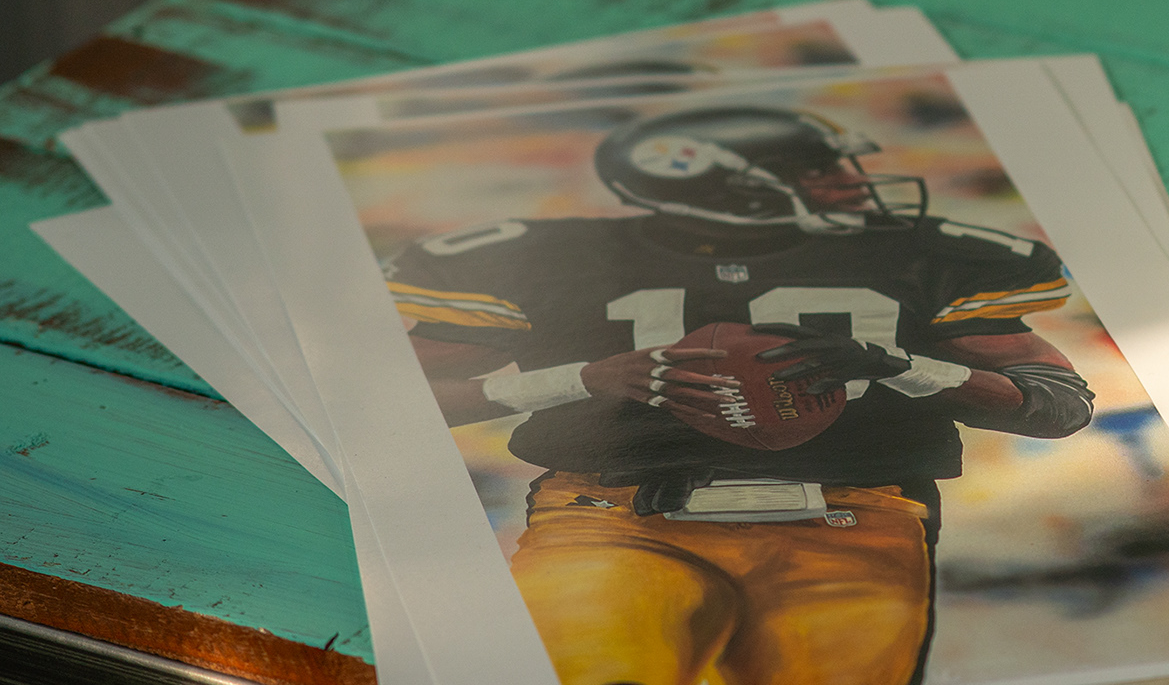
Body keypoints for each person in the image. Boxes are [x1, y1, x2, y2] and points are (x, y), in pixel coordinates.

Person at [382, 105, 1096, 685]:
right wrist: (586, 377)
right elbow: (399, 396)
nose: (852, 180)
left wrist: (903, 367)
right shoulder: (548, 257)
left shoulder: (924, 256)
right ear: (727, 182)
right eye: (823, 169)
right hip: (609, 517)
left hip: (855, 520)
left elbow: (1061, 403)